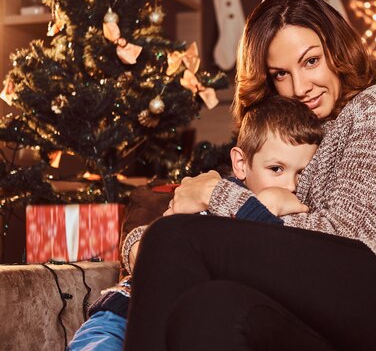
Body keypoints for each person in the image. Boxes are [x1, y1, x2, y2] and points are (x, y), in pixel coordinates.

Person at [124, 0, 376, 351]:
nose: (300, 87)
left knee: (176, 238)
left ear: (337, 50)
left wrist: (213, 195)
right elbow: (245, 230)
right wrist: (140, 243)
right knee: (211, 310)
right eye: (280, 74)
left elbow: (343, 234)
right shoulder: (285, 140)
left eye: (311, 61)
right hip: (340, 322)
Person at [68, 96, 324, 351]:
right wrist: (263, 204)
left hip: (188, 327)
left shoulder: (296, 216)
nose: (291, 185)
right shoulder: (208, 195)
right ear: (241, 164)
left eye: (301, 173)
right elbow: (151, 238)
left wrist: (270, 207)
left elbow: (279, 269)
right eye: (276, 169)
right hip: (123, 311)